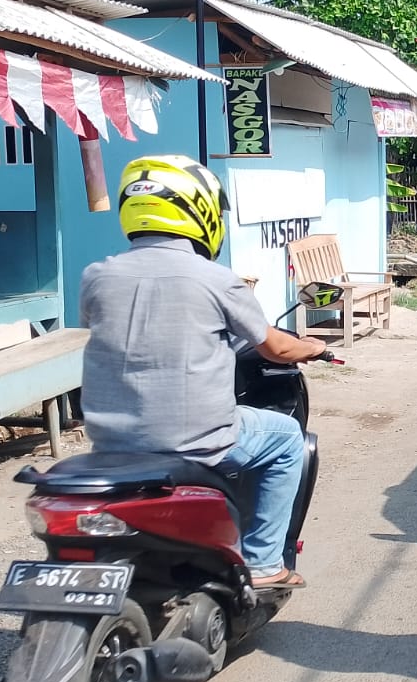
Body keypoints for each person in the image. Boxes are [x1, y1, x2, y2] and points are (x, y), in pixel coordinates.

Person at [79, 154, 327, 589]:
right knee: (288, 439)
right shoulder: (216, 278)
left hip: (110, 441)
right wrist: (313, 347)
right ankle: (264, 564)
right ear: (201, 211)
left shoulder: (97, 275)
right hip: (194, 440)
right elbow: (276, 347)